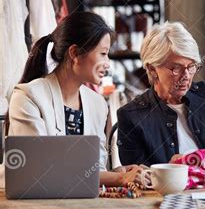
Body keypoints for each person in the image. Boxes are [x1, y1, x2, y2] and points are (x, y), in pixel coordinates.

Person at [8, 11, 148, 187]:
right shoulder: (27, 98)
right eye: (103, 53)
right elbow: (39, 171)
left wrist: (116, 173)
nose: (108, 63)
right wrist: (118, 179)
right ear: (74, 53)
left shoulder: (97, 104)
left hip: (83, 206)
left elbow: (92, 172)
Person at [117, 21, 205, 166]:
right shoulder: (132, 116)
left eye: (191, 67)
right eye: (176, 68)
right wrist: (168, 169)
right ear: (152, 69)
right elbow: (135, 178)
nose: (186, 76)